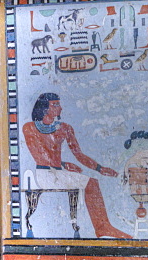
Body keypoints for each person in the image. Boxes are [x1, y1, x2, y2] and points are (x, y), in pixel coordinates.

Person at [22, 92, 130, 239]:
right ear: (45, 108)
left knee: (93, 182)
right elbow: (39, 155)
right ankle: (102, 227)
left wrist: (100, 168)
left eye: (59, 104)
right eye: (55, 105)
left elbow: (79, 155)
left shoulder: (65, 128)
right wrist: (64, 164)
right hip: (44, 174)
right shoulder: (29, 127)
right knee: (91, 184)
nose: (60, 108)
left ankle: (103, 227)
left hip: (59, 173)